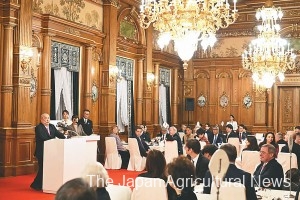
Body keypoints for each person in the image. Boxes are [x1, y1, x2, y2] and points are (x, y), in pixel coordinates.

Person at [30, 113, 67, 191]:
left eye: (48, 118)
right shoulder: (38, 127)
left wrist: (65, 137)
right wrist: (53, 140)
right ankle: (36, 185)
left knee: (48, 168)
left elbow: (58, 134)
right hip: (41, 151)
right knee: (42, 168)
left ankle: (40, 184)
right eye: (45, 118)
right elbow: (43, 137)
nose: (47, 120)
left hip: (51, 152)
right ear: (41, 119)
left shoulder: (52, 126)